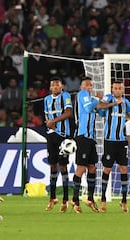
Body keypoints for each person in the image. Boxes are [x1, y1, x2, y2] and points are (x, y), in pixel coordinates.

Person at [98, 81, 130, 213]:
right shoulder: (108, 98)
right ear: (112, 89)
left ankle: (124, 201)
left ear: (123, 90)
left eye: (120, 88)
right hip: (109, 141)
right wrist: (114, 103)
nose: (118, 90)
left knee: (124, 169)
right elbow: (100, 106)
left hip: (122, 141)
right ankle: (103, 199)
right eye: (115, 88)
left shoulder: (126, 102)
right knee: (107, 169)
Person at [71, 77, 103, 214]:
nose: (90, 87)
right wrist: (97, 99)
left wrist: (103, 102)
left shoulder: (91, 98)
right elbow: (89, 107)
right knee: (81, 167)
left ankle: (90, 198)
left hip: (91, 137)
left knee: (92, 167)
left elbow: (100, 112)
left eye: (91, 85)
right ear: (82, 86)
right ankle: (75, 199)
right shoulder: (82, 95)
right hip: (82, 135)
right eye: (87, 85)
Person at [43, 76, 73, 213]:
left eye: (57, 85)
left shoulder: (65, 96)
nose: (55, 87)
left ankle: (65, 199)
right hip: (51, 135)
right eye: (53, 85)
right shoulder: (46, 99)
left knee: (63, 166)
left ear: (61, 87)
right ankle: (52, 197)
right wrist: (50, 124)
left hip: (62, 135)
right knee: (53, 165)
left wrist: (53, 121)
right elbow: (46, 116)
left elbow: (68, 113)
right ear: (50, 88)